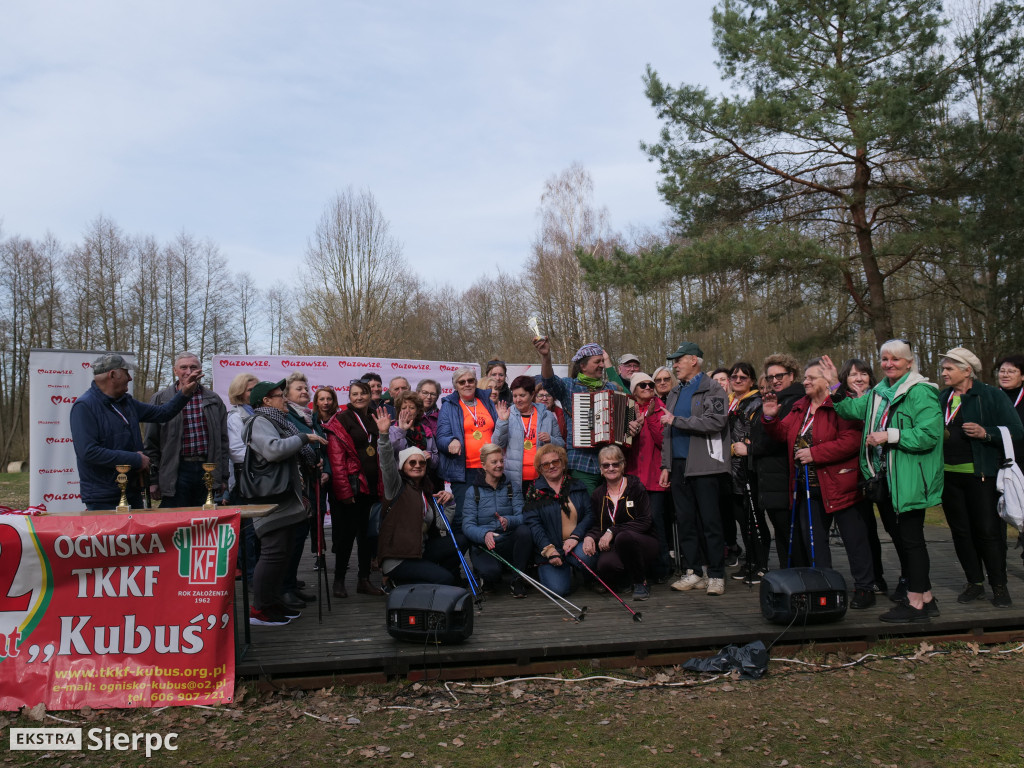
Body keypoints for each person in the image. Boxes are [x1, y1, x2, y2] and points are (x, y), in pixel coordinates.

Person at [823, 340, 943, 623]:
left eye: (896, 359)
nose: (889, 363)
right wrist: (833, 386)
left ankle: (915, 605)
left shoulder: (920, 392)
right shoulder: (880, 391)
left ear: (909, 362)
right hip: (887, 479)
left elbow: (930, 434)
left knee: (912, 541)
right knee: (904, 537)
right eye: (885, 359)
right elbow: (851, 410)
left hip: (911, 479)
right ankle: (926, 598)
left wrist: (889, 435)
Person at [762, 358, 876, 609]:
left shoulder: (840, 405)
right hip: (807, 487)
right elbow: (785, 435)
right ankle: (825, 586)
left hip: (840, 483)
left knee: (854, 540)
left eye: (812, 378)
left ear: (827, 381)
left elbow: (852, 440)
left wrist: (816, 453)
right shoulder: (800, 406)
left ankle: (865, 588)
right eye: (805, 377)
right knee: (816, 541)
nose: (806, 381)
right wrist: (770, 419)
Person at [937, 347, 1024, 608]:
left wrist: (986, 433)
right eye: (943, 369)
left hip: (982, 476)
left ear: (967, 370)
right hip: (949, 478)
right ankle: (974, 583)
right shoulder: (942, 398)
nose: (944, 373)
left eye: (949, 369)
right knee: (961, 533)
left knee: (988, 533)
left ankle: (999, 587)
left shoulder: (991, 395)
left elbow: (1017, 431)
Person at [71, 353, 203, 510]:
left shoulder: (126, 402)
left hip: (132, 491)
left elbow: (163, 413)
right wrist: (135, 459)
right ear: (112, 375)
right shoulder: (85, 406)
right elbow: (88, 452)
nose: (130, 378)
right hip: (104, 496)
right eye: (126, 373)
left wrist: (185, 392)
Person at [244, 379, 328, 626]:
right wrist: (304, 438)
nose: (285, 399)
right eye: (279, 395)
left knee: (282, 553)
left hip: (285, 495)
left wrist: (309, 462)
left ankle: (272, 603)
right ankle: (260, 609)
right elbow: (273, 450)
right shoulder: (259, 421)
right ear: (266, 401)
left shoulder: (277, 421)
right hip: (271, 498)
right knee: (272, 553)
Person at [660, 342, 731, 597]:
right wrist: (666, 465)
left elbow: (716, 421)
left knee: (710, 522)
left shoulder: (712, 388)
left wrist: (678, 420)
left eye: (678, 360)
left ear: (693, 360)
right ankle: (694, 572)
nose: (674, 366)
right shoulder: (676, 391)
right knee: (685, 521)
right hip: (678, 466)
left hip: (705, 466)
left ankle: (715, 574)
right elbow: (667, 430)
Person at [372, 408, 462, 587]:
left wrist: (450, 502)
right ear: (403, 467)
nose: (417, 466)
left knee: (461, 540)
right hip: (399, 559)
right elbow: (387, 462)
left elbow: (441, 525)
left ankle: (433, 573)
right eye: (411, 462)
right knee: (445, 580)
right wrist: (383, 435)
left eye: (421, 462)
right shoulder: (396, 486)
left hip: (419, 552)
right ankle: (398, 580)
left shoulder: (426, 491)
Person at [533, 338, 626, 492]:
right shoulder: (569, 386)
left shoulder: (610, 388)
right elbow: (548, 381)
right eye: (597, 362)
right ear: (582, 366)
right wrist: (546, 356)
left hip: (610, 462)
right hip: (581, 463)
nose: (602, 365)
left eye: (602, 361)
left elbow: (622, 421)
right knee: (586, 510)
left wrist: (630, 426)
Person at [144, 352, 229, 507]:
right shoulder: (160, 399)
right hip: (175, 471)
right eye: (184, 367)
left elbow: (223, 442)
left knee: (204, 525)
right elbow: (151, 443)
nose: (189, 372)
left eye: (193, 367)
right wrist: (152, 480)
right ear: (175, 371)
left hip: (207, 469)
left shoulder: (213, 400)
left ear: (201, 371)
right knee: (176, 525)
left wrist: (223, 478)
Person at [748, 353, 806, 569]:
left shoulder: (795, 401)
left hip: (784, 477)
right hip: (769, 478)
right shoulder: (776, 400)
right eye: (771, 377)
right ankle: (789, 578)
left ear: (792, 375)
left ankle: (798, 580)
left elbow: (779, 439)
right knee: (782, 535)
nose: (775, 380)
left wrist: (750, 449)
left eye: (780, 375)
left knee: (791, 535)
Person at [583, 444, 659, 600]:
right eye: (606, 465)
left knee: (624, 537)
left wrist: (612, 531)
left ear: (623, 466)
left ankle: (640, 582)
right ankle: (626, 580)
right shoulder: (598, 494)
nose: (611, 468)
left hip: (643, 542)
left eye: (615, 464)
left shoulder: (635, 487)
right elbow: (598, 525)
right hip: (617, 545)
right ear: (601, 469)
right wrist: (590, 536)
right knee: (604, 565)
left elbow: (645, 521)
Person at [837, 359, 887, 594]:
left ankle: (890, 578)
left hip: (881, 472)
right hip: (853, 476)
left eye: (863, 373)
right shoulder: (840, 402)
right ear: (844, 378)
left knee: (887, 528)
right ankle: (872, 578)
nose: (859, 378)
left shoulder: (882, 398)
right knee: (864, 531)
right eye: (853, 374)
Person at [332, 379, 385, 598]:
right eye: (354, 394)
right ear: (349, 397)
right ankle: (339, 580)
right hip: (353, 487)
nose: (359, 397)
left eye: (363, 393)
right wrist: (344, 491)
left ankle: (363, 580)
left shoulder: (375, 416)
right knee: (346, 536)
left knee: (367, 536)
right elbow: (336, 459)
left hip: (372, 486)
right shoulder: (342, 419)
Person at [523, 444, 596, 596]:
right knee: (559, 590)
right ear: (540, 469)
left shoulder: (577, 485)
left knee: (588, 557)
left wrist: (576, 537)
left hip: (575, 544)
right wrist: (549, 550)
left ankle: (587, 576)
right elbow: (533, 524)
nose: (551, 466)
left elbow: (590, 514)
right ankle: (548, 570)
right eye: (546, 464)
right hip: (550, 548)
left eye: (555, 462)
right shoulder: (535, 492)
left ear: (563, 464)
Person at [280, 372, 326, 608]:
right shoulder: (287, 416)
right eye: (299, 388)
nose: (305, 392)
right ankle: (284, 587)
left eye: (306, 388)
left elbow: (323, 444)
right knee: (293, 536)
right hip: (295, 483)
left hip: (311, 480)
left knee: (301, 535)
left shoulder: (310, 416)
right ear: (286, 395)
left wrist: (323, 466)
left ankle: (290, 583)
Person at [461, 443, 533, 596]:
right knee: (491, 573)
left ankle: (517, 579)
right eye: (494, 462)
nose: (499, 465)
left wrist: (508, 520)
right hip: (485, 545)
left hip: (507, 540)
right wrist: (484, 534)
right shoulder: (472, 491)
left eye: (501, 461)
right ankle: (487, 575)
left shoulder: (511, 487)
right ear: (484, 465)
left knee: (525, 531)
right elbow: (467, 525)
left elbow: (523, 516)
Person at [623, 372, 671, 583]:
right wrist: (629, 430)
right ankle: (638, 568)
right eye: (642, 385)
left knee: (656, 522)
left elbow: (664, 441)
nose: (648, 388)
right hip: (632, 476)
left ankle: (662, 569)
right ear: (633, 390)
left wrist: (651, 417)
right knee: (633, 523)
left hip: (654, 477)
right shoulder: (626, 409)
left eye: (650, 384)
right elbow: (621, 445)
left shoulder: (661, 408)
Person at [437, 367, 499, 523]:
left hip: (489, 469)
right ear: (456, 386)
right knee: (464, 516)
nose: (467, 384)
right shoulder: (449, 405)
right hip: (464, 471)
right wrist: (451, 441)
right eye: (462, 382)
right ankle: (463, 547)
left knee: (488, 515)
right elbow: (441, 437)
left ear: (476, 383)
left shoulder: (487, 401)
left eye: (470, 380)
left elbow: (499, 431)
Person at [726, 362, 769, 583]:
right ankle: (750, 561)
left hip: (748, 467)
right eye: (734, 376)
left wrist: (738, 447)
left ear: (752, 380)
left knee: (754, 519)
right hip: (732, 470)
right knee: (743, 520)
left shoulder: (755, 403)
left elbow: (754, 435)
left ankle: (762, 564)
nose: (738, 380)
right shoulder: (731, 401)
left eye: (743, 377)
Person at [493, 375, 564, 492]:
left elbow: (561, 445)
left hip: (542, 477)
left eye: (522, 395)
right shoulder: (507, 415)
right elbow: (497, 444)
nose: (517, 400)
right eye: (515, 396)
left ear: (532, 395)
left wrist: (550, 439)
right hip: (514, 478)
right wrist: (502, 422)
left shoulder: (547, 416)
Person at [225, 373, 259, 580]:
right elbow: (236, 452)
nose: (254, 393)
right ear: (240, 393)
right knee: (249, 531)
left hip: (262, 478)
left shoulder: (261, 413)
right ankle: (250, 575)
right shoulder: (235, 418)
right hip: (245, 480)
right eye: (250, 390)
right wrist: (268, 453)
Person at [996, 353, 1024, 472]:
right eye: (1002, 371)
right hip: (996, 462)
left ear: (1023, 376)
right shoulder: (989, 397)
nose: (1005, 375)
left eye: (1011, 371)